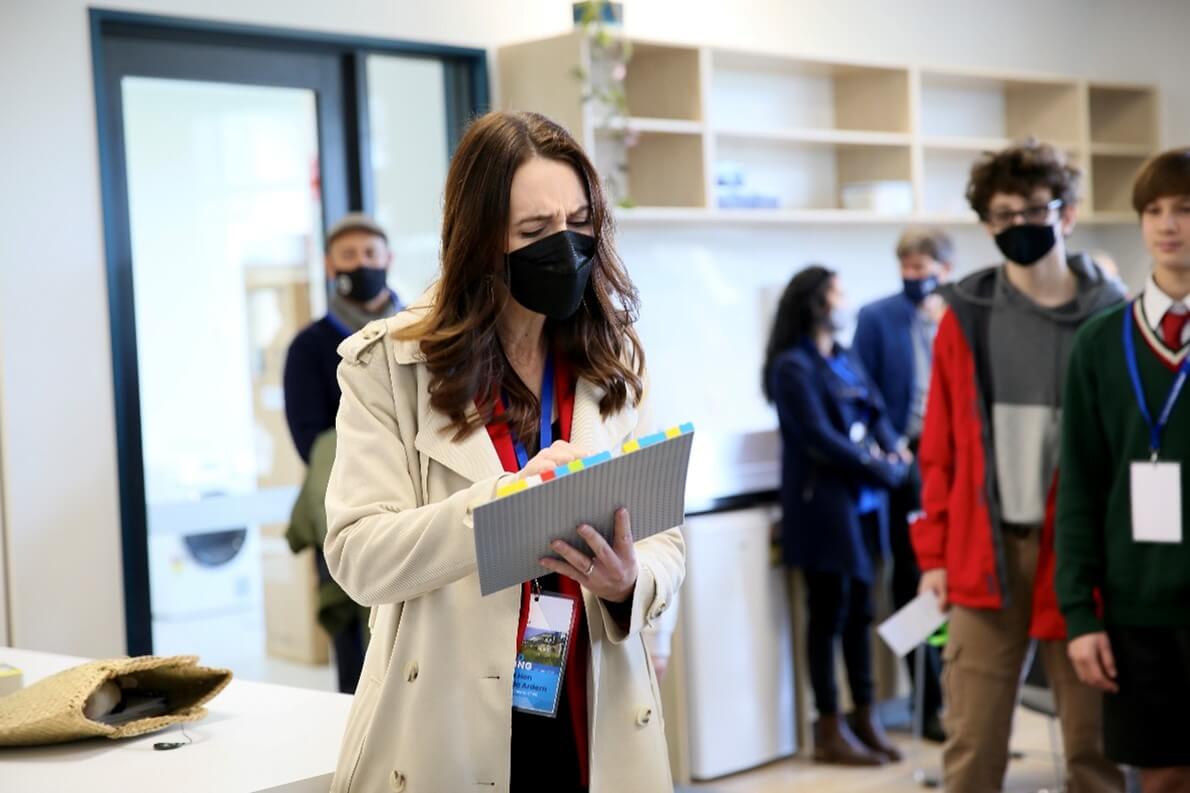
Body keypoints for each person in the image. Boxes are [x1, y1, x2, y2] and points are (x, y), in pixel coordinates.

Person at [322, 111, 685, 793]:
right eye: (534, 232)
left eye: (580, 222)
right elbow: (358, 554)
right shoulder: (389, 367)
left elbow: (664, 539)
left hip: (584, 698)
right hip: (449, 718)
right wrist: (501, 505)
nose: (567, 246)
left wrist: (629, 583)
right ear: (481, 241)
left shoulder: (609, 361)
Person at [913, 140, 1125, 792]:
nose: (1019, 225)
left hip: (1084, 562)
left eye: (1033, 209)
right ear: (987, 224)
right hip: (986, 555)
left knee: (1096, 750)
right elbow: (940, 450)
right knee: (972, 750)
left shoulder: (1113, 317)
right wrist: (935, 557)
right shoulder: (966, 319)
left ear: (1066, 212)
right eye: (1003, 215)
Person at [1057, 147, 1190, 793]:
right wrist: (1080, 614)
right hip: (1137, 608)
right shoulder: (1101, 340)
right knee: (1161, 775)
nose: (1169, 224)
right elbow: (1079, 486)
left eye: (1186, 209)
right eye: (1154, 209)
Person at [764, 265, 909, 767]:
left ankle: (864, 716)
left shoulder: (844, 359)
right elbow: (820, 439)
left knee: (864, 612)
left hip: (864, 504)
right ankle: (830, 727)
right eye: (837, 295)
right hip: (822, 507)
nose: (844, 303)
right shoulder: (792, 368)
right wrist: (878, 465)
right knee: (830, 614)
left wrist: (894, 451)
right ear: (816, 304)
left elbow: (878, 414)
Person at [282, 212, 402, 695]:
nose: (362, 264)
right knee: (358, 670)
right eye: (350, 255)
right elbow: (312, 442)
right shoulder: (309, 348)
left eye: (370, 254)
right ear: (331, 264)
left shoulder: (421, 333)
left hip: (422, 511)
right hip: (344, 512)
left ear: (388, 260)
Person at [853, 227, 954, 742]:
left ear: (945, 270)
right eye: (906, 268)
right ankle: (927, 698)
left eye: (923, 268)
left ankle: (961, 695)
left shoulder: (961, 316)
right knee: (915, 579)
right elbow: (861, 390)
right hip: (908, 464)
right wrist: (894, 444)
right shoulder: (876, 317)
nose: (913, 277)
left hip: (961, 467)